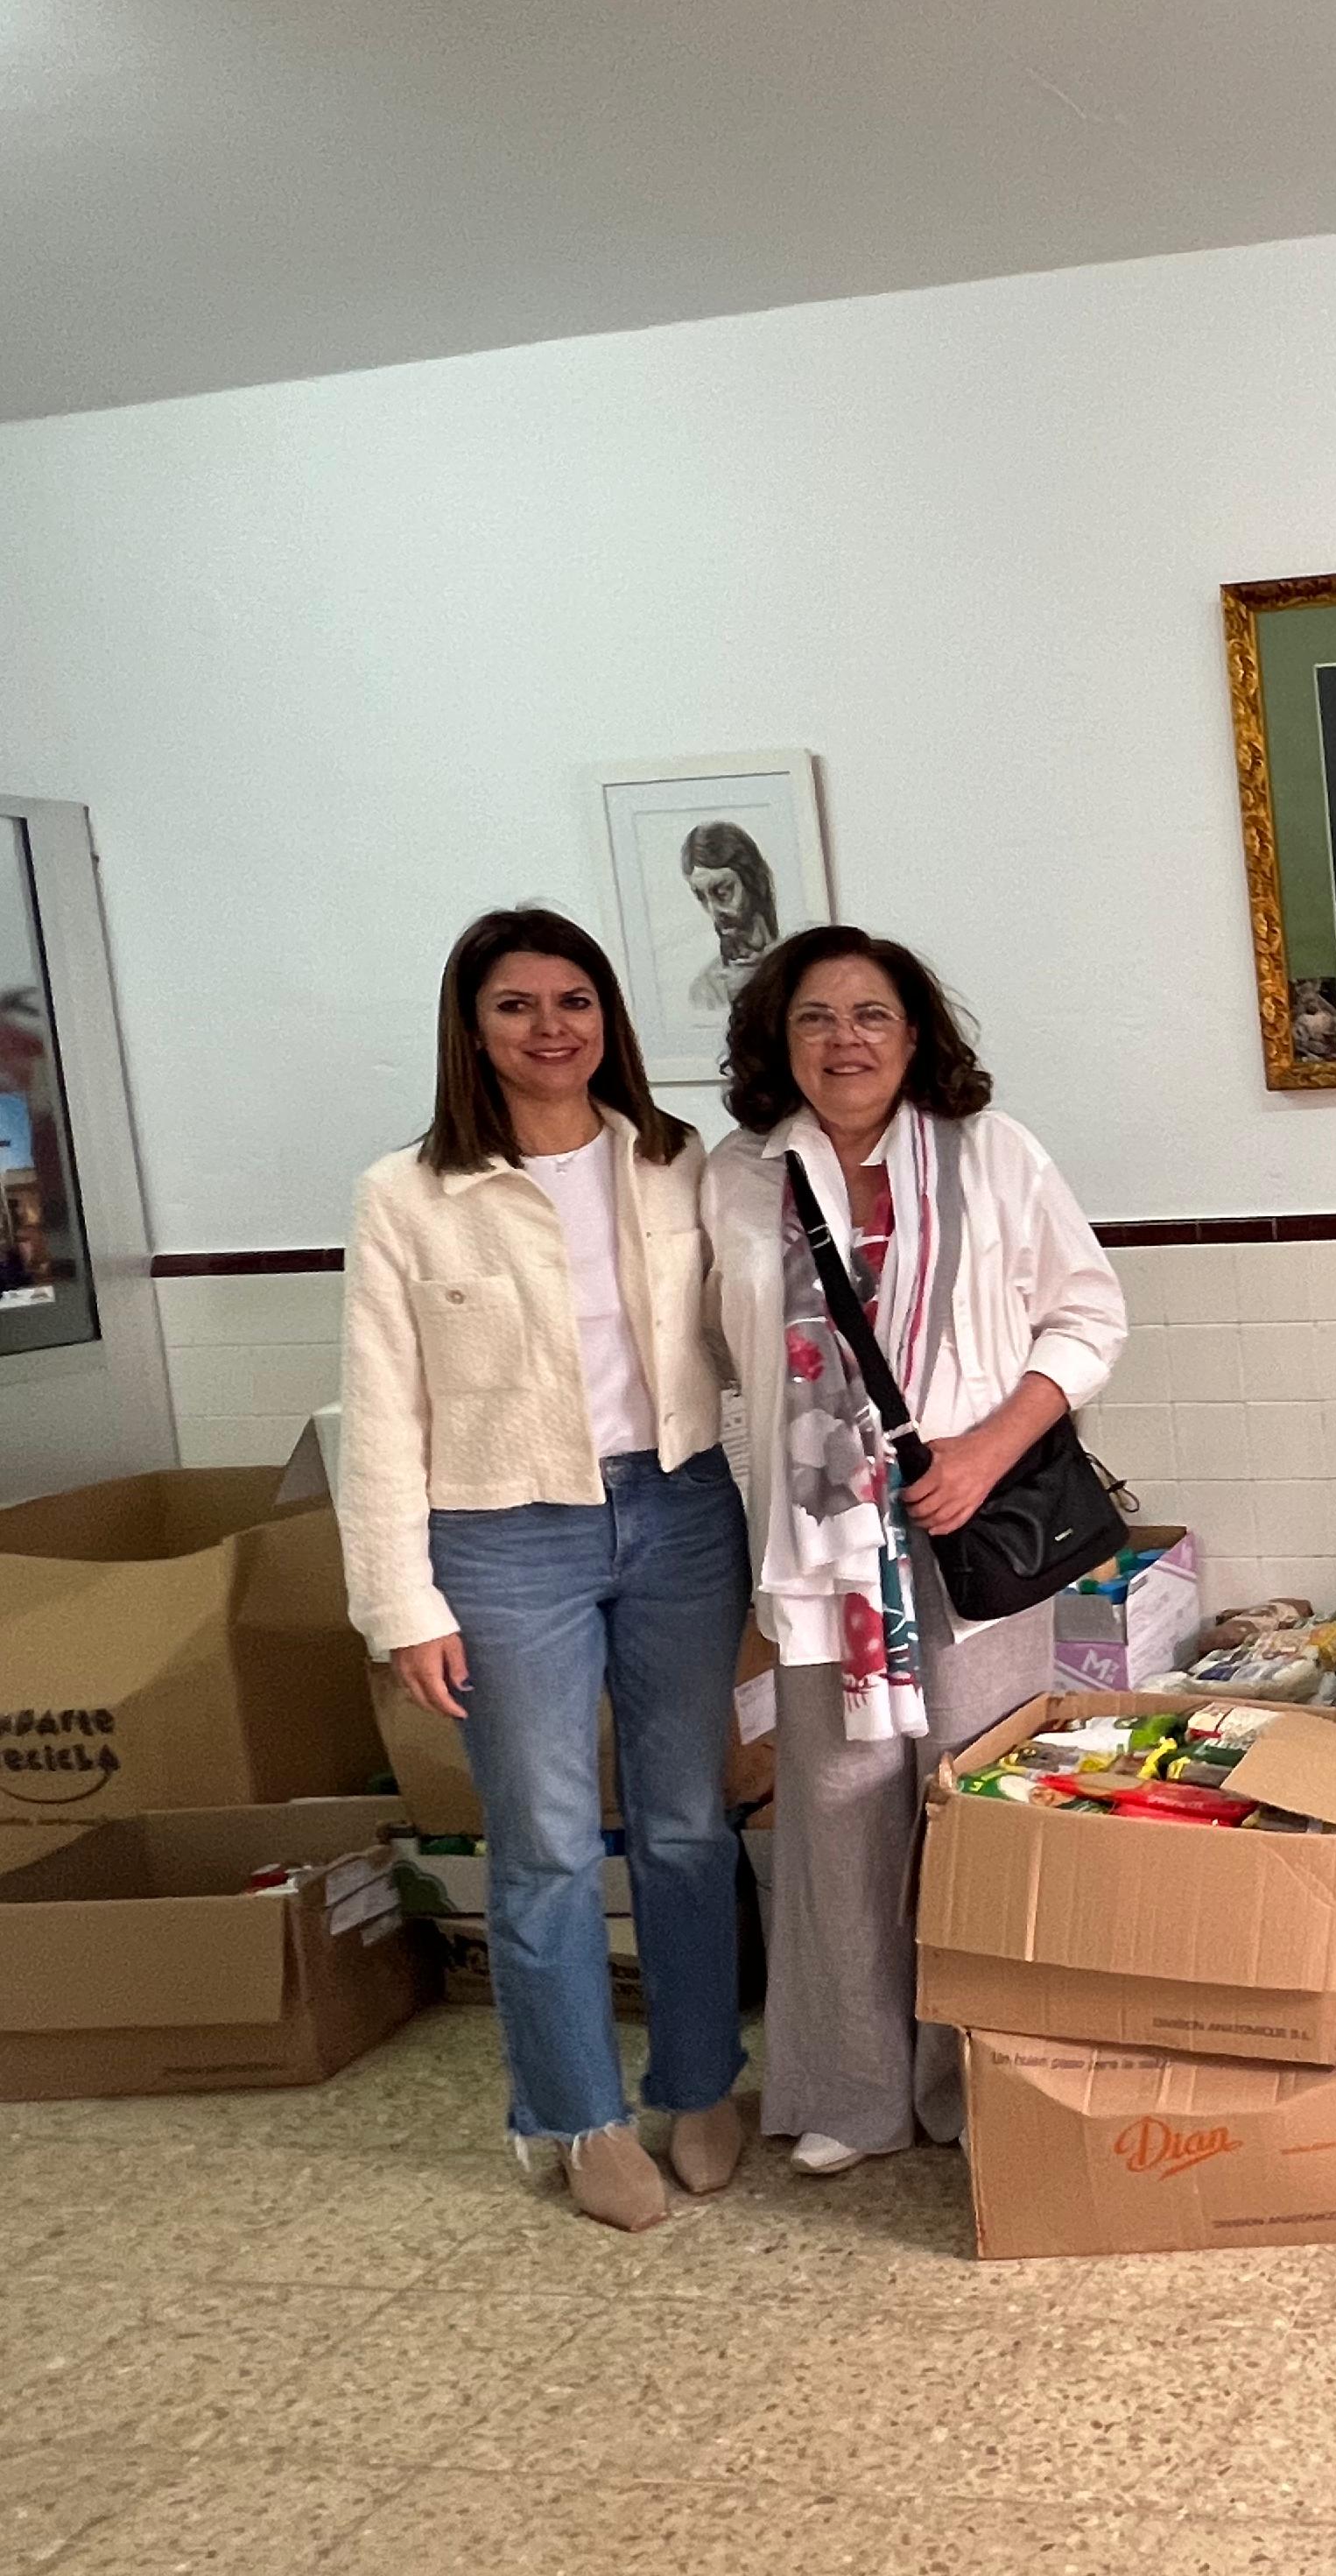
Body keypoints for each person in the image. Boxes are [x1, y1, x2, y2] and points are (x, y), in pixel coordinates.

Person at [338, 908, 751, 2233]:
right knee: (548, 1845)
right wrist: (401, 1604)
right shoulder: (405, 1194)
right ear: (472, 1027)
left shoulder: (682, 1162)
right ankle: (576, 2119)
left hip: (680, 1511)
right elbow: (382, 1408)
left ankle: (699, 2083)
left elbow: (755, 1336)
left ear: (609, 1018)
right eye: (517, 1006)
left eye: (574, 1000)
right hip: (504, 1534)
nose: (551, 1028)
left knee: (687, 1823)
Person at [705, 926, 1128, 2174]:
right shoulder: (735, 1176)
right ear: (778, 1043)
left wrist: (990, 1448)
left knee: (980, 1804)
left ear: (915, 1034)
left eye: (872, 1015)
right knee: (838, 1823)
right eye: (817, 1019)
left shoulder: (993, 1153)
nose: (847, 1041)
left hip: (973, 1535)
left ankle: (977, 2079)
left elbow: (1090, 1314)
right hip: (824, 1555)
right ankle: (855, 2092)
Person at [679, 821, 780, 1014]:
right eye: (702, 897)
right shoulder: (707, 990)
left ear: (755, 882)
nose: (714, 911)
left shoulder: (799, 962)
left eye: (723, 892)